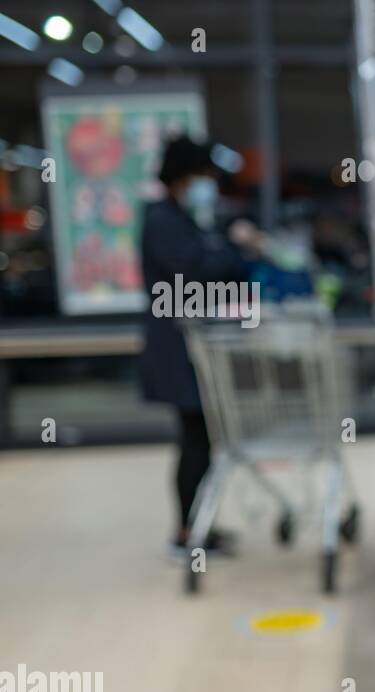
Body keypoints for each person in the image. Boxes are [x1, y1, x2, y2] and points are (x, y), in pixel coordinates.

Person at [138, 135, 263, 557]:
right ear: (184, 177)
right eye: (203, 176)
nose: (208, 184)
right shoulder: (162, 221)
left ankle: (197, 525)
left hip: (191, 344)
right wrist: (237, 251)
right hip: (178, 350)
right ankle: (186, 532)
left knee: (202, 439)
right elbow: (198, 269)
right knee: (194, 439)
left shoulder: (181, 217)